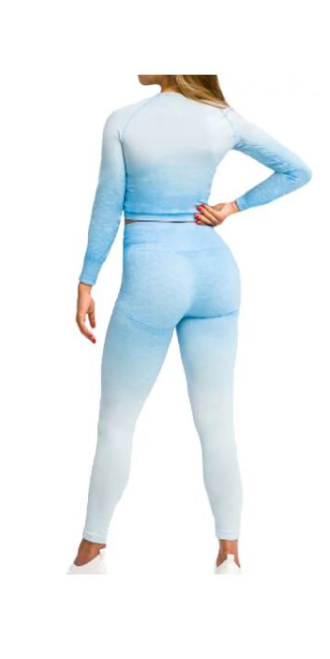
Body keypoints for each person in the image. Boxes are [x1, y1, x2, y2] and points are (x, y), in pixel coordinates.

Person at [67, 75, 312, 575]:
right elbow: (297, 170)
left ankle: (90, 554)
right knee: (217, 422)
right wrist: (232, 208)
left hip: (154, 274)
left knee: (117, 421)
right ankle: (230, 555)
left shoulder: (125, 120)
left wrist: (87, 280)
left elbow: (107, 203)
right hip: (215, 273)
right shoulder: (222, 118)